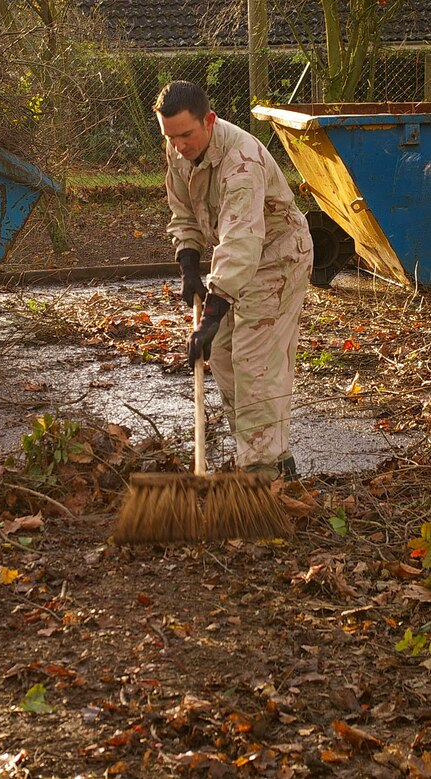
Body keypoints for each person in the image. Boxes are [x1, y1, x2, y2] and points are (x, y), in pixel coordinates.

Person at [154, 80, 313, 482]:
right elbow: (183, 210)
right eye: (170, 137)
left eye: (186, 135)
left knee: (254, 363)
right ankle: (268, 452)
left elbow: (243, 238)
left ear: (209, 120)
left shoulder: (241, 162)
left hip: (277, 257)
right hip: (239, 257)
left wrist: (212, 310)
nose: (178, 146)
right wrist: (189, 262)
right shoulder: (179, 148)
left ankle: (262, 473)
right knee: (223, 357)